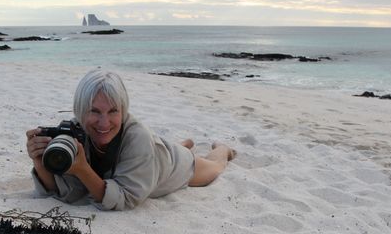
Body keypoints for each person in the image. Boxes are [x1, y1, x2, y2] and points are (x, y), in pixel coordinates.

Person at [26, 69, 236, 210]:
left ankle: (223, 148)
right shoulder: (76, 131)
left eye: (113, 111)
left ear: (124, 111)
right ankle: (183, 143)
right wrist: (39, 160)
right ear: (80, 111)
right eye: (95, 111)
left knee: (215, 167)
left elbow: (125, 198)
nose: (103, 122)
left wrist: (82, 169)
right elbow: (67, 192)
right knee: (151, 151)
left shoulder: (138, 138)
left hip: (175, 166)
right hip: (149, 157)